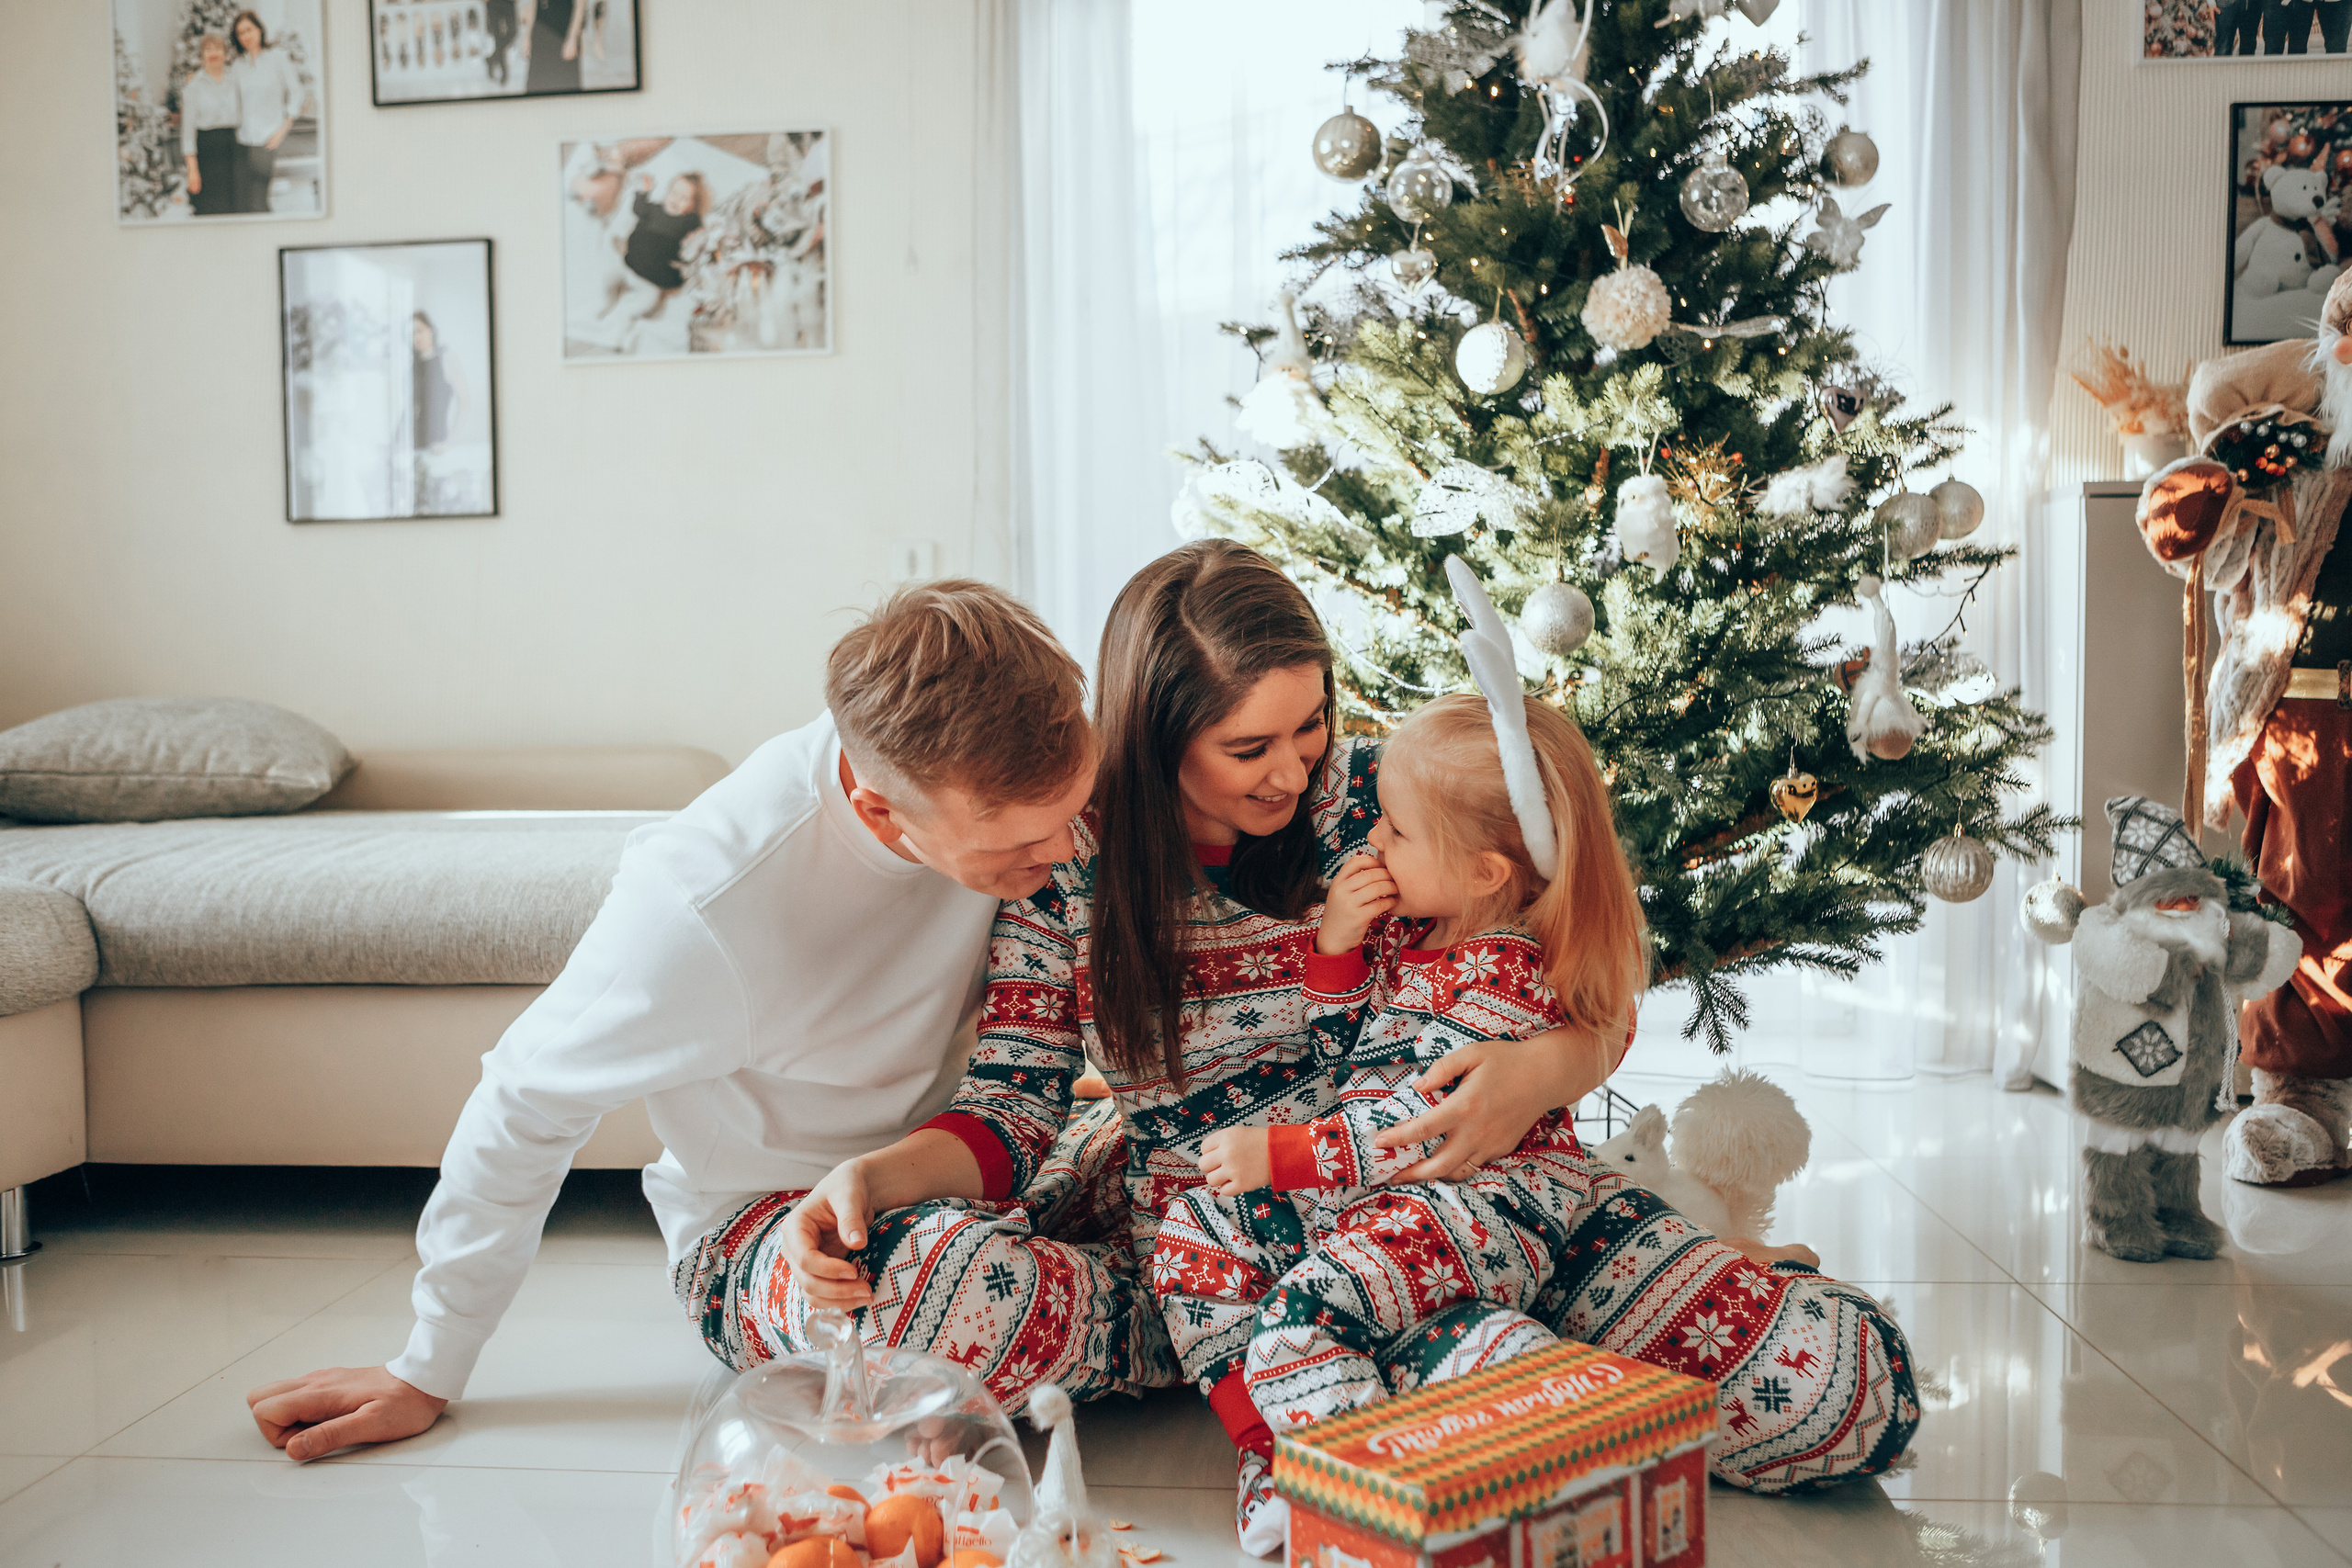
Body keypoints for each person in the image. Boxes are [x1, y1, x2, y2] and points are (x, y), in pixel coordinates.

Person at [784, 543, 1913, 1552]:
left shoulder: (1388, 795)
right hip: (1230, 1249)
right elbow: (1013, 1109)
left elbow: (1585, 965)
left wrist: (1542, 1071)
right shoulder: (1066, 862)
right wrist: (873, 1178)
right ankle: (1455, 1387)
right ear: (1157, 728)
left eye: (1310, 724)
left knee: (1836, 1394)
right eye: (1247, 746)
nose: (1292, 768)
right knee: (922, 1281)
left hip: (1474, 1198)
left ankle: (1452, 1390)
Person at [244, 581, 1154, 1461]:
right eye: (1019, 846)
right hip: (785, 1229)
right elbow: (523, 1098)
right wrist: (429, 1363)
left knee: (1220, 1145)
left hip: (994, 1156)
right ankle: (1187, 1313)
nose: (1068, 850)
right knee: (927, 1297)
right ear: (883, 811)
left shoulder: (1032, 792)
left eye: (1073, 812)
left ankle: (1117, 1299)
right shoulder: (704, 905)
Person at [599, 173, 707, 339]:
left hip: (652, 280)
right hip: (629, 263)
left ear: (693, 206)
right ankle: (605, 304)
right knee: (608, 277)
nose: (676, 200)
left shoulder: (688, 222)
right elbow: (638, 209)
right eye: (674, 193)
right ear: (667, 193)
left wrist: (699, 238)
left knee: (649, 301)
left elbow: (695, 242)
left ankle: (622, 315)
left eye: (684, 199)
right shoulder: (654, 209)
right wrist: (644, 192)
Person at [226, 10, 302, 214]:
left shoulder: (278, 58)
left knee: (258, 200)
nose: (246, 37)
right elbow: (229, 100)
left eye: (249, 30)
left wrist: (284, 128)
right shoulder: (237, 67)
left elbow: (296, 93)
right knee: (243, 202)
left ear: (259, 29)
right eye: (240, 33)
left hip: (269, 137)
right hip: (242, 140)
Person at [179, 34, 240, 218]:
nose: (214, 53)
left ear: (226, 54)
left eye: (218, 48)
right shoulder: (193, 87)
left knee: (237, 208)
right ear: (201, 55)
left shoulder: (237, 80)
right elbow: (188, 133)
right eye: (208, 49)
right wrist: (192, 170)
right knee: (210, 210)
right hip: (208, 154)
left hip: (235, 151)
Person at [411, 312, 462, 456]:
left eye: (419, 331)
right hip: (415, 448)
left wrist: (450, 444)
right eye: (411, 335)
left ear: (430, 329)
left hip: (438, 448)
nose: (416, 338)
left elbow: (464, 404)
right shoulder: (413, 365)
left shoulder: (446, 357)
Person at [521, 0, 585, 95]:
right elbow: (534, 5)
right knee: (535, 87)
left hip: (562, 35)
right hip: (540, 36)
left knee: (565, 88)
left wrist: (572, 38)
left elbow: (580, 5)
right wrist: (528, 37)